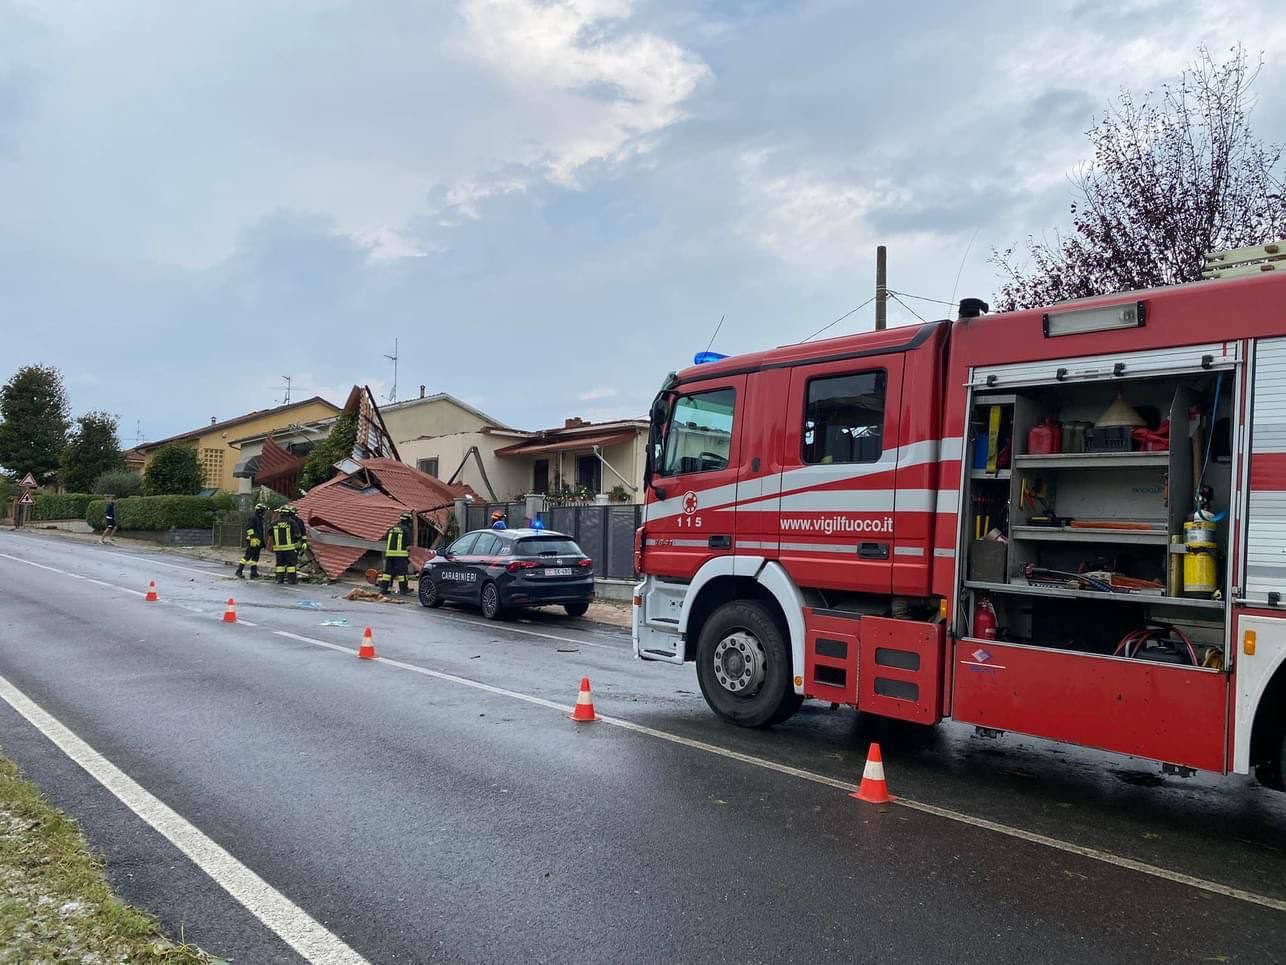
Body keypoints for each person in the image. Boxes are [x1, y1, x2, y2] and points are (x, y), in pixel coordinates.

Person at [379, 511, 413, 595]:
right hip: (400, 555)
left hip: (389, 554)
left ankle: (384, 589)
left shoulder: (392, 528)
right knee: (403, 573)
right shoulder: (406, 529)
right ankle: (403, 589)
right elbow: (408, 542)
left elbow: (386, 539)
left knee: (387, 572)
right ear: (408, 520)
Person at [272, 505, 306, 585]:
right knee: (291, 564)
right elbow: (297, 534)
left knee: (280, 564)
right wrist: (299, 542)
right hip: (289, 547)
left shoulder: (275, 523)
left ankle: (280, 579)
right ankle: (292, 580)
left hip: (278, 548)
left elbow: (270, 532)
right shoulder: (292, 522)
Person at [235, 503, 267, 579]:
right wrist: (253, 538)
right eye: (263, 511)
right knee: (248, 556)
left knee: (255, 557)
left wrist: (262, 542)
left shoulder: (259, 519)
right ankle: (239, 571)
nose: (264, 512)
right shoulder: (253, 518)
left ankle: (253, 572)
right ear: (260, 511)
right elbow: (249, 528)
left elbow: (260, 532)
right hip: (253, 540)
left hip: (258, 540)